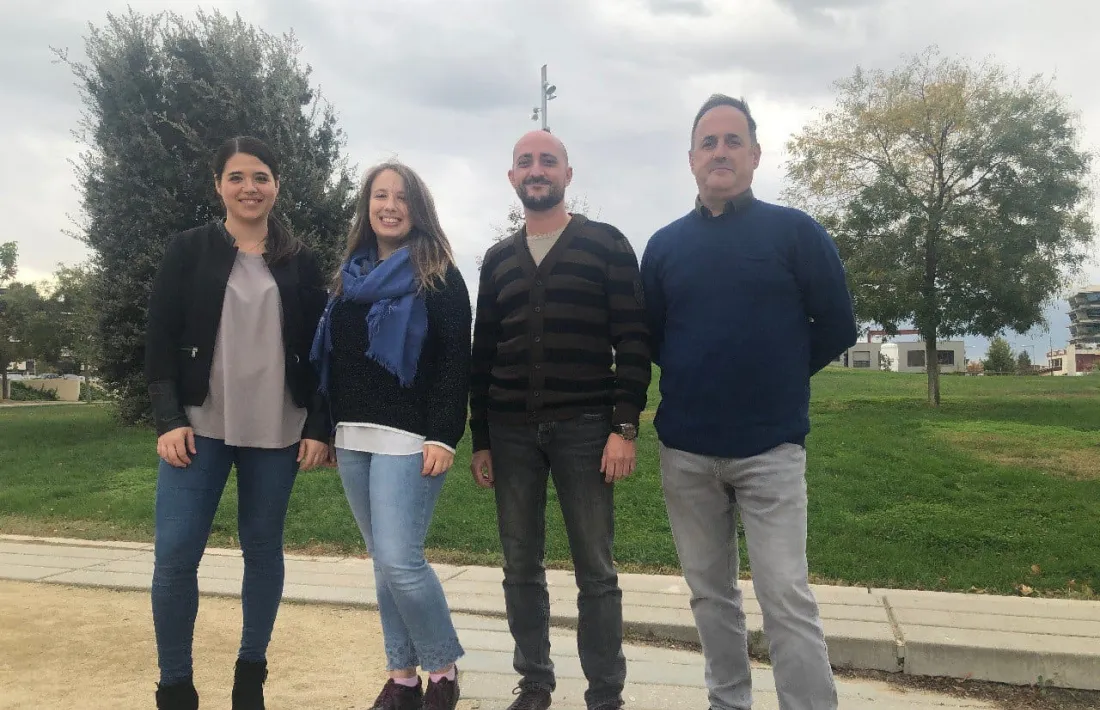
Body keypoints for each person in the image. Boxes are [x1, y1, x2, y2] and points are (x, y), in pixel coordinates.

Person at [640, 94, 858, 710]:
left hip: (771, 450)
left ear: (755, 155)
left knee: (785, 594)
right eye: (708, 142)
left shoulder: (795, 233)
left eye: (733, 141)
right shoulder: (664, 247)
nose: (720, 152)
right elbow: (652, 336)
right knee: (710, 596)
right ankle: (727, 701)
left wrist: (779, 372)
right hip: (686, 452)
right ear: (690, 159)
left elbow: (837, 324)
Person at [144, 136, 331, 710]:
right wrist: (168, 416)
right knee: (175, 554)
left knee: (262, 549)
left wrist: (320, 425)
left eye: (261, 177)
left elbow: (326, 349)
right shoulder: (188, 249)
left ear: (277, 186)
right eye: (237, 177)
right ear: (219, 185)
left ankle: (250, 677)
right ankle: (176, 684)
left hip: (278, 427)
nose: (249, 187)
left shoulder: (301, 260)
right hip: (198, 426)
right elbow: (159, 340)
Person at [469, 130, 652, 710]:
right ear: (512, 178)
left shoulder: (605, 245)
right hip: (511, 432)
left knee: (595, 568)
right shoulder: (498, 260)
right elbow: (484, 352)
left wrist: (624, 428)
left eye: (547, 160)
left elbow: (633, 339)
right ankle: (535, 681)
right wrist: (482, 439)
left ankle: (605, 693)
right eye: (525, 161)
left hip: (586, 429)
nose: (536, 169)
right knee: (519, 563)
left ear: (568, 174)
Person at [310, 161, 470, 710]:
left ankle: (443, 669)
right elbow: (333, 359)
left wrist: (444, 435)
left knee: (401, 559)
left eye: (401, 197)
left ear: (417, 207)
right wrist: (326, 428)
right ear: (367, 206)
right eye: (380, 196)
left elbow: (454, 361)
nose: (390, 206)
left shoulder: (438, 273)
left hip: (410, 437)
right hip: (353, 434)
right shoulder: (347, 277)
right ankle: (402, 676)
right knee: (382, 560)